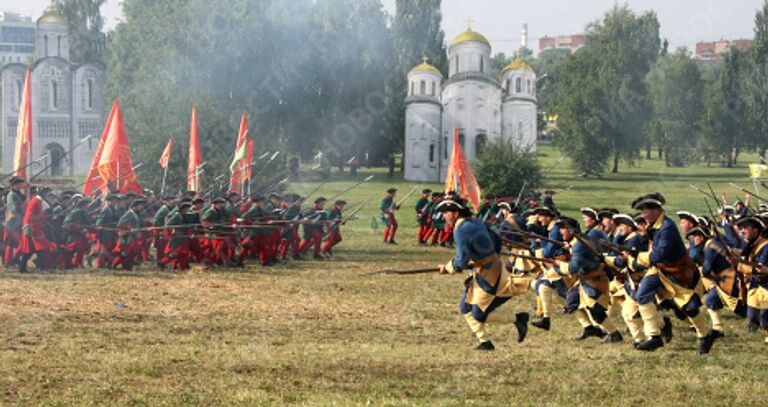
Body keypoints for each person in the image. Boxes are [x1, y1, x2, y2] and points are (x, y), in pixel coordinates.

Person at [623, 193, 714, 354]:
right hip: (660, 270)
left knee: (690, 308)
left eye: (646, 211)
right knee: (642, 295)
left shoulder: (667, 227)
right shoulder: (653, 225)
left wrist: (638, 256)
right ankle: (654, 337)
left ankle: (704, 335)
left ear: (657, 211)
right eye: (642, 211)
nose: (643, 215)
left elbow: (660, 255)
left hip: (679, 273)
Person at [436, 197, 530, 350]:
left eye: (446, 212)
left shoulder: (461, 229)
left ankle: (518, 319)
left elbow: (461, 261)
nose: (444, 216)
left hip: (489, 273)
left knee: (478, 314)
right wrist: (485, 258)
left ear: (455, 213)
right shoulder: (475, 221)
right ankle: (484, 342)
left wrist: (447, 268)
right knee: (465, 307)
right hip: (485, 268)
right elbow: (496, 240)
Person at [17, 187, 57, 273]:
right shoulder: (36, 201)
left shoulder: (37, 201)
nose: (48, 196)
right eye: (47, 194)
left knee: (34, 249)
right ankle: (41, 268)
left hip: (34, 226)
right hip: (32, 227)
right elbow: (30, 216)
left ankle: (24, 268)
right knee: (39, 248)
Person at [4, 177, 27, 266]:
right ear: (14, 185)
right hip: (13, 221)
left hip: (16, 220)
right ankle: (11, 260)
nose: (20, 185)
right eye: (18, 184)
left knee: (14, 243)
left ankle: (12, 260)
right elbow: (16, 208)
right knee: (15, 242)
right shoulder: (12, 195)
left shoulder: (17, 194)